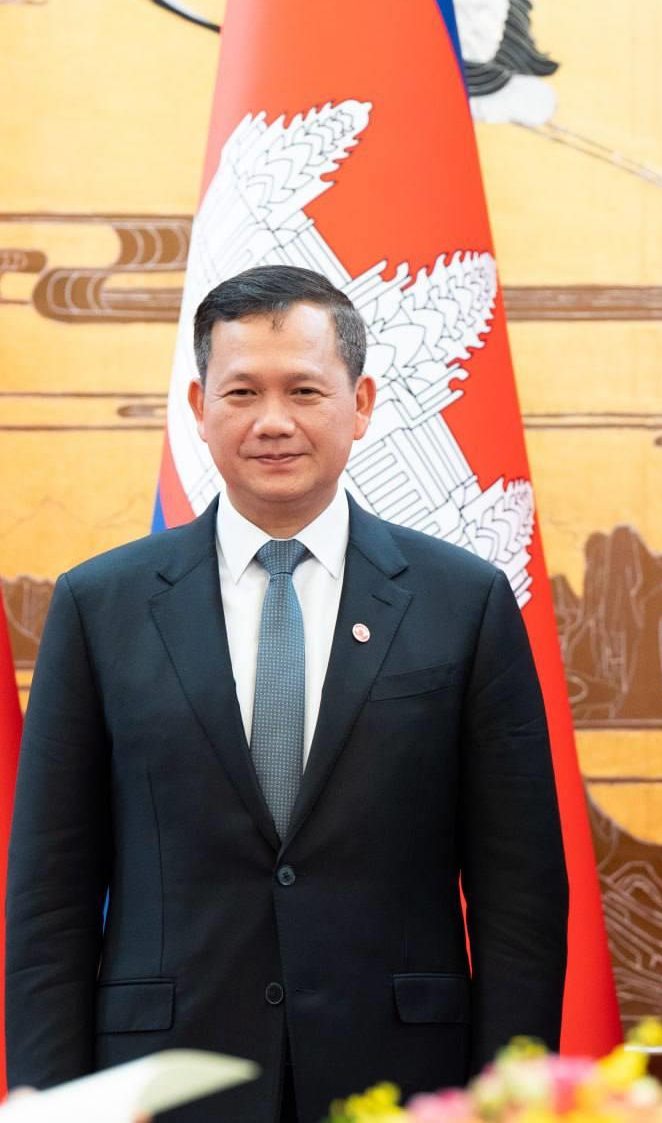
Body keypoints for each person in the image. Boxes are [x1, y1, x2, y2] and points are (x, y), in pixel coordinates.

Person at [5, 265, 569, 1123]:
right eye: (242, 392)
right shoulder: (100, 605)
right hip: (163, 1083)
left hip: (404, 1081)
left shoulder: (464, 602)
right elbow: (50, 895)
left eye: (304, 390)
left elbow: (519, 897)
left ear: (361, 403)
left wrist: (510, 1103)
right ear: (199, 407)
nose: (274, 421)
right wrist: (52, 1106)